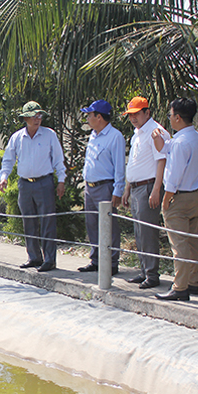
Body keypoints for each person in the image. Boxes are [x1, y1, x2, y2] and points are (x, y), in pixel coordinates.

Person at [0, 101, 66, 272]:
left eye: (39, 116)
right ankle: (34, 257)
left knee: (47, 221)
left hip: (44, 182)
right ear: (25, 119)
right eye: (33, 116)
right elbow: (8, 159)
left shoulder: (49, 135)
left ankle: (49, 260)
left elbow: (58, 159)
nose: (37, 119)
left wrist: (61, 180)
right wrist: (4, 177)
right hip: (25, 184)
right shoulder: (17, 137)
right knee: (28, 221)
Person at [152, 98, 198, 301]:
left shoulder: (181, 142)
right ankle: (192, 282)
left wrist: (166, 199)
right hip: (194, 195)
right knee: (192, 241)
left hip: (179, 197)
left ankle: (180, 287)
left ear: (178, 117)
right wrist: (158, 139)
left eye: (171, 115)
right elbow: (166, 148)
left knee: (179, 244)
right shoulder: (193, 136)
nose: (170, 118)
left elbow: (174, 175)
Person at [121, 97, 169, 289]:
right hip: (136, 187)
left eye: (136, 114)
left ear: (147, 112)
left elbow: (161, 161)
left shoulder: (155, 131)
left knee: (148, 232)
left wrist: (156, 189)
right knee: (139, 232)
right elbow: (134, 162)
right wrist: (127, 188)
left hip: (148, 186)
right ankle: (144, 270)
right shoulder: (137, 133)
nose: (133, 118)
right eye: (130, 115)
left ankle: (152, 274)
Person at [78, 99, 126, 275]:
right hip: (90, 187)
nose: (87, 118)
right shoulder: (93, 135)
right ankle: (96, 260)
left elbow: (119, 166)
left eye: (90, 115)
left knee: (109, 226)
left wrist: (118, 190)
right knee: (92, 224)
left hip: (105, 186)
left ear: (99, 117)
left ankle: (111, 262)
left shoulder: (115, 136)